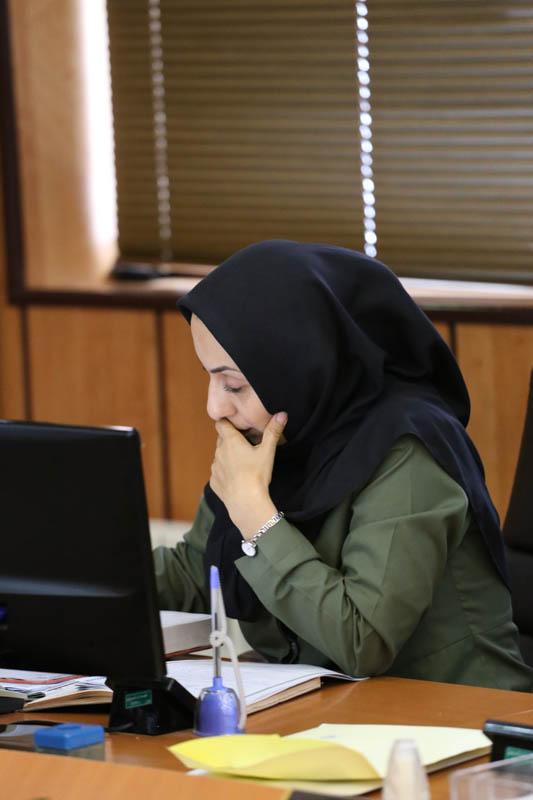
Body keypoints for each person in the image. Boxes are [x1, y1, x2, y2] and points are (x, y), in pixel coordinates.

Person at [153, 239, 532, 690]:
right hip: (329, 711)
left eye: (233, 385)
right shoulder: (285, 438)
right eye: (211, 378)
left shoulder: (408, 449)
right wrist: (89, 570)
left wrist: (256, 518)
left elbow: (362, 641)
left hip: (458, 716)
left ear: (301, 367)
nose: (214, 408)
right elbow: (196, 574)